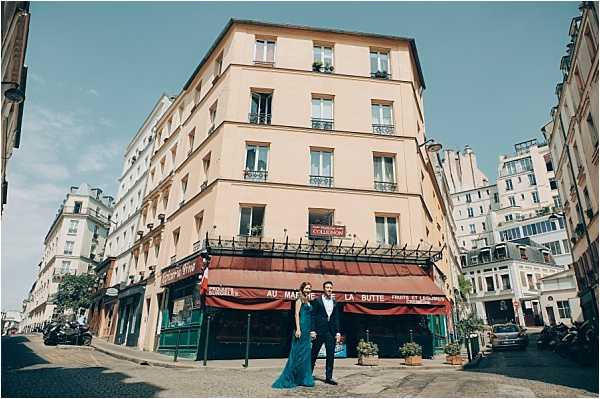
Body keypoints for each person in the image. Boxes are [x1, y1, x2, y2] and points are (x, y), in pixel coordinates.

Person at [272, 282, 315, 389]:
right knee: (297, 354)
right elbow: (296, 314)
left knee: (305, 355)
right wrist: (298, 329)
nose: (308, 290)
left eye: (309, 288)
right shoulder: (299, 299)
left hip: (307, 329)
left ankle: (303, 378)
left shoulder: (307, 300)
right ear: (302, 289)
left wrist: (310, 331)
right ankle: (291, 378)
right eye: (306, 288)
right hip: (301, 327)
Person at [310, 281, 341, 385]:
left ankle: (329, 377)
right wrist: (312, 330)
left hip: (330, 332)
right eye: (327, 287)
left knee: (331, 355)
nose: (329, 289)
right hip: (319, 331)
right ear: (323, 289)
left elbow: (336, 318)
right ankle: (308, 375)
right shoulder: (317, 301)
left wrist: (337, 332)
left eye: (330, 288)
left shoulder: (334, 302)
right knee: (313, 354)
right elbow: (313, 316)